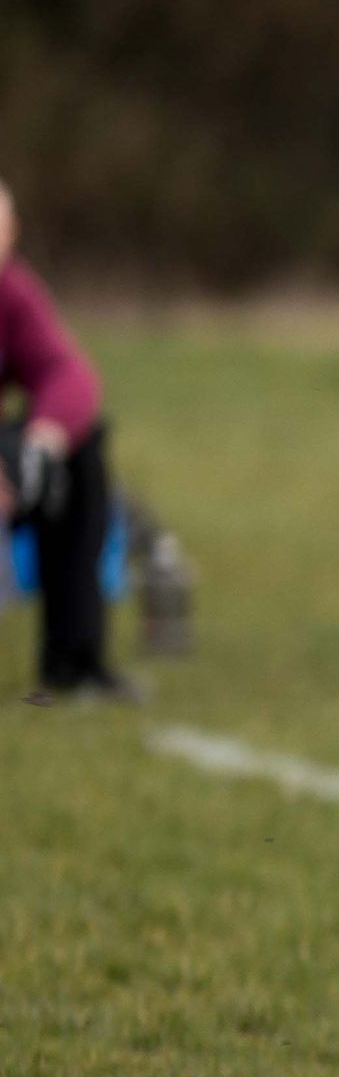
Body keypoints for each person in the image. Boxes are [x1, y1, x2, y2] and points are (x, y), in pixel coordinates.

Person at [0, 181, 133, 703]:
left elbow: (68, 374)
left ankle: (74, 664)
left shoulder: (12, 293)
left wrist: (39, 448)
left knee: (80, 449)